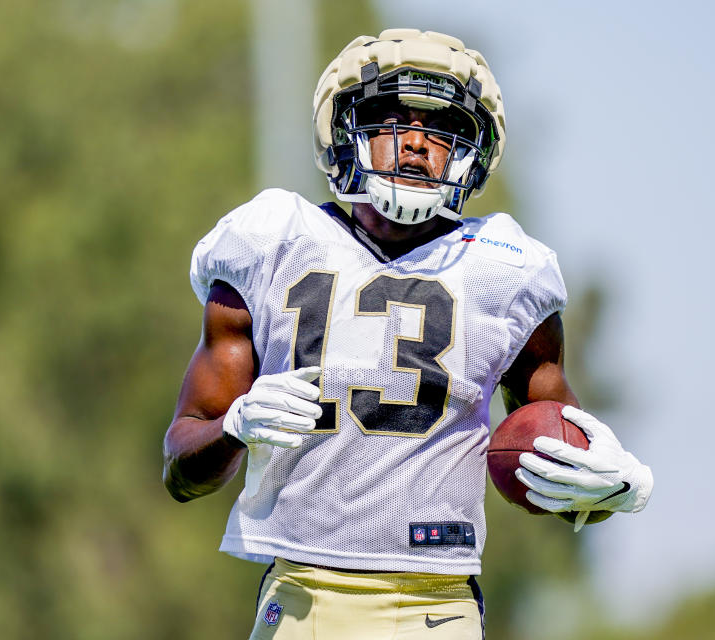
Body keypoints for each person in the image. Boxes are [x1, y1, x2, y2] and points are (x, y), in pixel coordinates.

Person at [162, 28, 653, 639]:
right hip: (302, 596)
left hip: (438, 603)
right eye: (393, 119)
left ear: (469, 152)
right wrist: (234, 428)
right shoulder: (269, 241)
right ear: (346, 131)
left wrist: (617, 487)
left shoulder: (504, 266)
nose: (418, 144)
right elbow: (180, 467)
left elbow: (559, 463)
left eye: (441, 128)